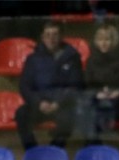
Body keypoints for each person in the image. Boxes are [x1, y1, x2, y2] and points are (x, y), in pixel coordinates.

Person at [15, 18, 84, 149]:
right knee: (21, 113)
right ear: (42, 37)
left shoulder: (72, 57)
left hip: (62, 105)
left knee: (70, 115)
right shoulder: (33, 59)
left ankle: (55, 150)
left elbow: (76, 86)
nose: (51, 39)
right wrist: (39, 102)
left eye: (55, 35)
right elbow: (24, 86)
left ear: (61, 36)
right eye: (47, 35)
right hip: (40, 104)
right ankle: (32, 151)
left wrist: (58, 103)